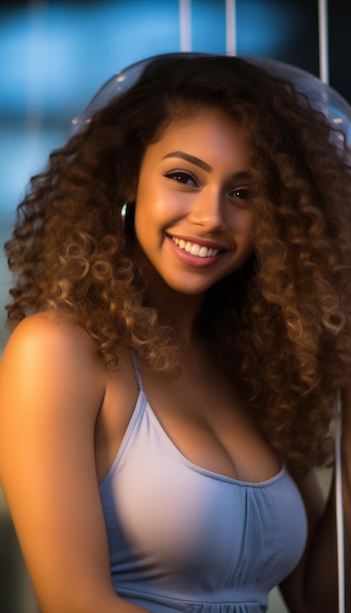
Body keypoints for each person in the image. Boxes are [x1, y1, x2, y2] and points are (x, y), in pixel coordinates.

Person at [0, 52, 350, 613]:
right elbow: (73, 602)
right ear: (125, 176)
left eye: (244, 192)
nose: (212, 216)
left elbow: (322, 599)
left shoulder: (255, 367)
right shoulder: (57, 351)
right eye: (184, 177)